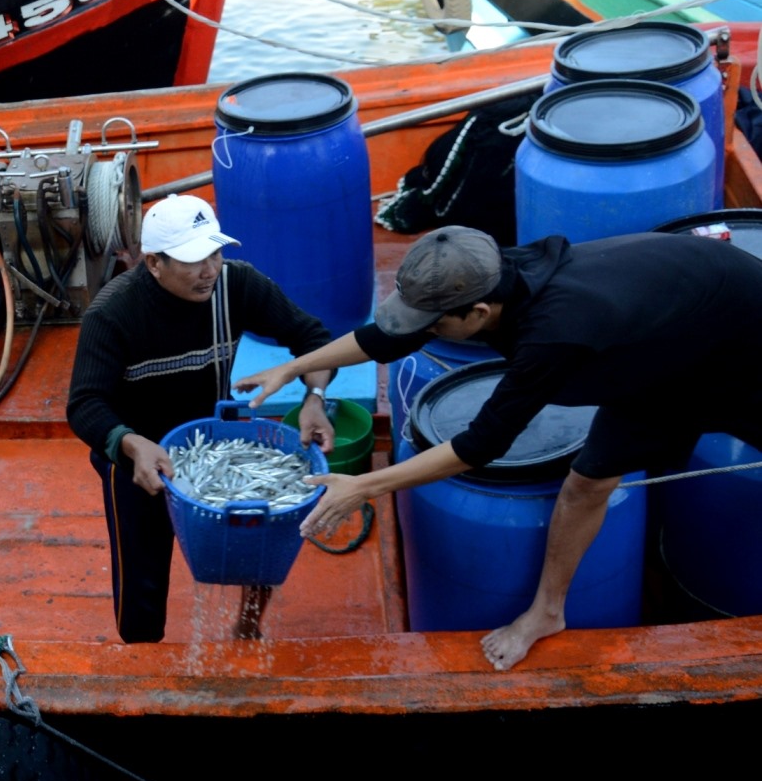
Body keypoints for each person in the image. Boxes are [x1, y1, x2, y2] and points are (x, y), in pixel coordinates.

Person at [235, 226, 762, 671]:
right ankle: (548, 612)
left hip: (741, 343)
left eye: (436, 324)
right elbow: (388, 337)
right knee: (587, 483)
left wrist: (365, 486)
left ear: (480, 312)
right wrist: (295, 366)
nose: (427, 332)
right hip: (658, 348)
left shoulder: (552, 333)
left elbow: (478, 445)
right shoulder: (487, 273)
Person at [66, 195, 336, 644]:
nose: (210, 269)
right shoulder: (113, 314)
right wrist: (130, 445)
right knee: (142, 574)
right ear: (154, 263)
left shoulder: (236, 285)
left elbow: (313, 338)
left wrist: (315, 395)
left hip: (215, 445)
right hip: (142, 459)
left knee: (257, 543)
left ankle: (248, 625)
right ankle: (143, 655)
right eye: (194, 260)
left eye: (215, 251)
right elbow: (85, 404)